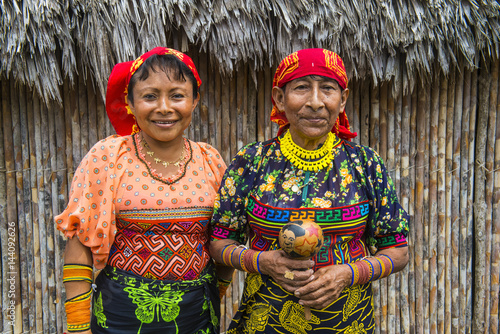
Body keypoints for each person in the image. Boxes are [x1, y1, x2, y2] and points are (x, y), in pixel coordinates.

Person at [209, 48, 409, 333]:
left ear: (343, 100)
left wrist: (347, 274)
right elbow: (219, 243)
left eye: (327, 89)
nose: (315, 102)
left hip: (347, 323)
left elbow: (397, 251)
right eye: (301, 88)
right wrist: (264, 262)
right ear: (280, 98)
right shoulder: (252, 161)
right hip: (266, 322)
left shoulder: (365, 164)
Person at [55, 47, 226, 334]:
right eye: (149, 96)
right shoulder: (109, 157)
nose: (164, 107)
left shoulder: (210, 160)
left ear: (194, 100)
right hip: (120, 315)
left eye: (177, 95)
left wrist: (214, 294)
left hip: (196, 316)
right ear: (130, 103)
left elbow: (222, 237)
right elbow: (80, 239)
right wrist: (78, 326)